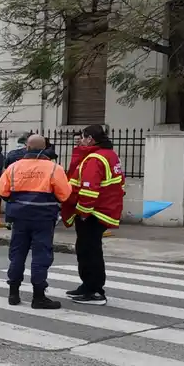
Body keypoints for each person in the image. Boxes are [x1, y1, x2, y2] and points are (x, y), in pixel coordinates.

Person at [0, 134, 73, 308]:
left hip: (19, 217)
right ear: (45, 148)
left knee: (17, 254)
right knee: (41, 255)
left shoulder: (14, 167)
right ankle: (38, 296)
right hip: (43, 218)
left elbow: (3, 192)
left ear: (27, 147)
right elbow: (65, 194)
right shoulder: (54, 169)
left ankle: (13, 293)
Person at [62, 124, 125, 306]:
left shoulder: (94, 159)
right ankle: (87, 286)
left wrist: (83, 212)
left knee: (89, 251)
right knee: (89, 249)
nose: (80, 140)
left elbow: (89, 189)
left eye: (82, 137)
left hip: (93, 213)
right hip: (104, 210)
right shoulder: (110, 155)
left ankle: (94, 290)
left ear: (90, 139)